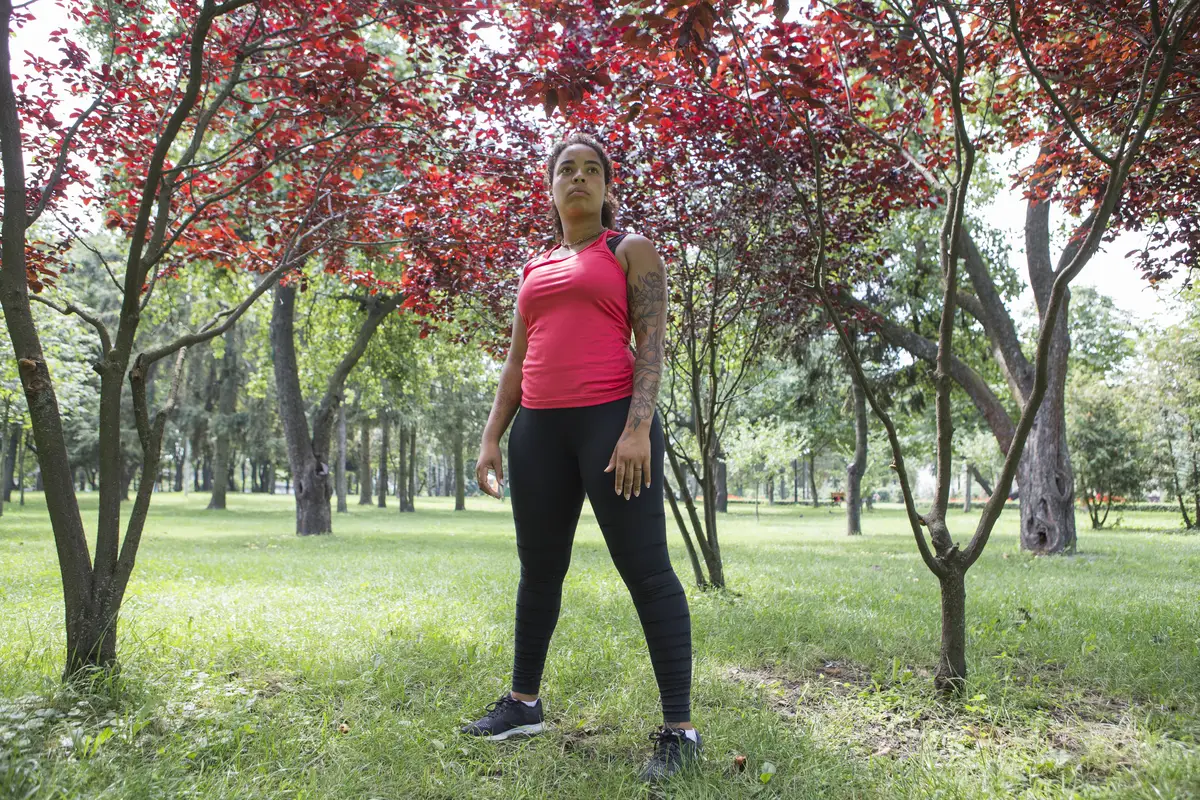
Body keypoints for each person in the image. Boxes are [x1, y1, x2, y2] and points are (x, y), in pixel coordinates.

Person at [462, 133, 700, 782]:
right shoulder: (534, 269)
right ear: (549, 186)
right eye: (566, 169)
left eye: (592, 170)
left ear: (606, 187)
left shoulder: (629, 250)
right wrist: (491, 436)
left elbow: (651, 344)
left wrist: (636, 428)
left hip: (609, 425)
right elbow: (517, 359)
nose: (579, 178)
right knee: (538, 572)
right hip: (537, 431)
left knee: (647, 572)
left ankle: (680, 732)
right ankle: (523, 703)